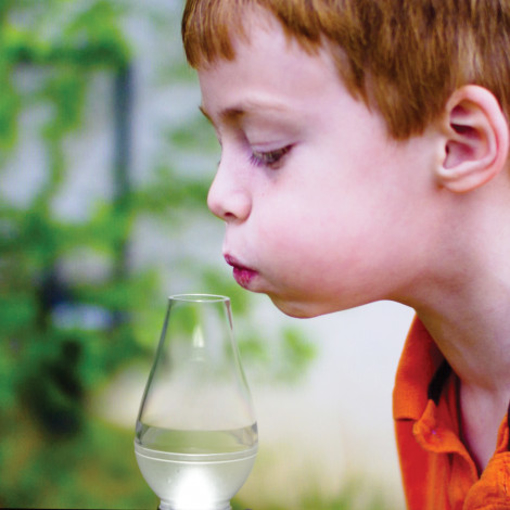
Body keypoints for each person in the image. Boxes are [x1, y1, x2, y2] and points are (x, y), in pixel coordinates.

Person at [181, 0, 510, 508]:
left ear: (459, 143)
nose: (219, 195)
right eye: (220, 145)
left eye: (268, 148)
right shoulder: (435, 392)